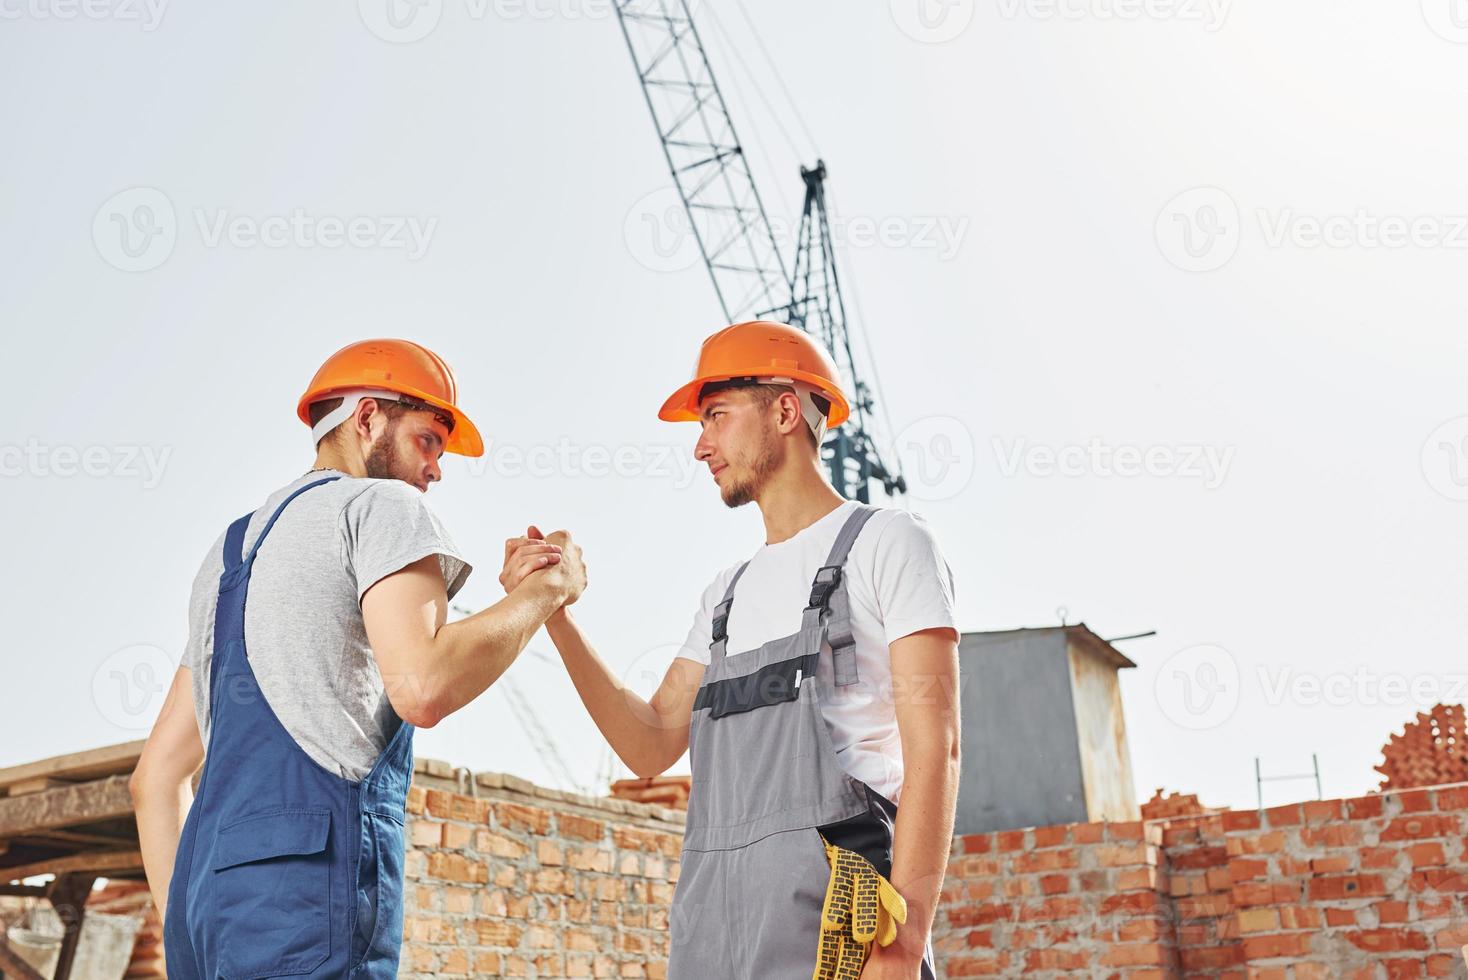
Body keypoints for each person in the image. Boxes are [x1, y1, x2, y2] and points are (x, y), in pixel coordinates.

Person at [501, 320, 960, 979]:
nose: (700, 447)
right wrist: (551, 611)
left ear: (785, 409)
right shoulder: (726, 596)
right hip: (715, 940)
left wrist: (903, 943)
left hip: (841, 941)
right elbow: (651, 741)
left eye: (715, 416)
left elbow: (935, 748)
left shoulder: (887, 544)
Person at [130, 338, 585, 979]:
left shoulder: (232, 551)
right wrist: (547, 592)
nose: (437, 470)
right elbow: (423, 685)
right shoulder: (381, 507)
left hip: (207, 919)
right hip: (308, 903)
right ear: (367, 417)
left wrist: (187, 920)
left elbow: (154, 780)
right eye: (429, 440)